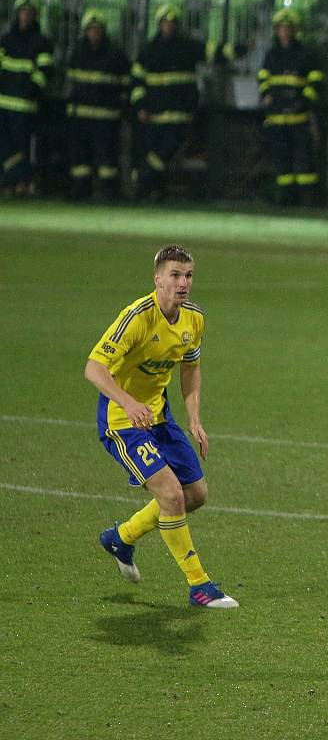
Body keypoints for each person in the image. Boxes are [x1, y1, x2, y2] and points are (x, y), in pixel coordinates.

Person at [85, 244, 238, 609]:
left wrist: (195, 419)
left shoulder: (193, 318)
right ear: (158, 279)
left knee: (195, 495)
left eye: (188, 275)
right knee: (170, 494)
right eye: (175, 275)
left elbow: (190, 367)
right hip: (123, 422)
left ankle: (121, 537)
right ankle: (199, 586)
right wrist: (128, 401)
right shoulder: (137, 317)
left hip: (159, 416)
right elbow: (93, 367)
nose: (183, 283)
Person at [131, 4, 224, 202]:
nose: (168, 27)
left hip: (179, 115)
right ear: (158, 25)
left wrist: (240, 49)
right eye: (165, 23)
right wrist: (140, 106)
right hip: (155, 114)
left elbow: (214, 52)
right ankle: (155, 192)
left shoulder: (187, 47)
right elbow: (137, 82)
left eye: (171, 23)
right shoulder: (149, 50)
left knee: (163, 153)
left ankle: (141, 180)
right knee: (158, 155)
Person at [258, 8, 324, 206]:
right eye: (281, 29)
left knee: (304, 158)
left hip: (300, 117)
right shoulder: (272, 55)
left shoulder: (306, 54)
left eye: (288, 28)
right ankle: (286, 197)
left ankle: (307, 198)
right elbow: (263, 78)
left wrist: (303, 102)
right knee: (281, 159)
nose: (285, 32)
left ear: (294, 30)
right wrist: (266, 94)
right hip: (277, 118)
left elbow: (317, 81)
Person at [66, 9, 130, 200]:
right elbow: (71, 84)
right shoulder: (77, 52)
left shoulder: (116, 55)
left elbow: (125, 84)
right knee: (80, 158)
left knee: (108, 159)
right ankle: (80, 190)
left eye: (97, 29)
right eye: (91, 29)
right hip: (81, 116)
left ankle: (109, 191)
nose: (94, 33)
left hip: (106, 117)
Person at [0, 0, 54, 196]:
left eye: (29, 12)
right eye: (23, 12)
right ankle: (12, 181)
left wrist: (30, 91)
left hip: (25, 106)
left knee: (21, 147)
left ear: (35, 15)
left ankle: (18, 183)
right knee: (5, 147)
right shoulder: (5, 40)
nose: (25, 16)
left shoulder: (41, 42)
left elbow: (45, 72)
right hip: (3, 102)